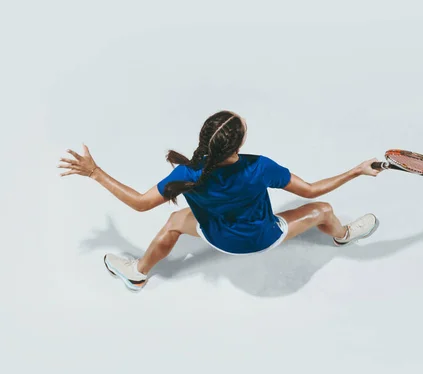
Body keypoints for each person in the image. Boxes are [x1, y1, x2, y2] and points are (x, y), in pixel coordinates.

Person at [58, 110, 382, 291]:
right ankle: (343, 236)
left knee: (173, 222)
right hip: (264, 237)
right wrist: (356, 170)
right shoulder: (259, 167)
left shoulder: (186, 173)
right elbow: (311, 191)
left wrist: (95, 172)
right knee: (323, 210)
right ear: (238, 145)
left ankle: (139, 272)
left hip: (219, 238)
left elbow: (141, 203)